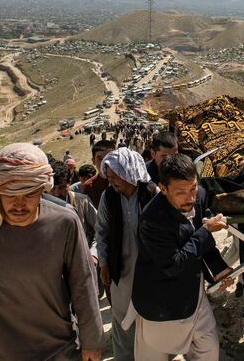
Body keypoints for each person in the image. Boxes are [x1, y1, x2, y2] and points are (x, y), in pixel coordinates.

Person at [0, 143, 102, 361]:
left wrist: (92, 342)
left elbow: (83, 285)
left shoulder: (64, 223)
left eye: (29, 194)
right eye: (10, 194)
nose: (19, 204)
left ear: (43, 189)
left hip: (56, 349)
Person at [129, 154, 233, 360]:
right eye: (181, 192)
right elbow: (174, 263)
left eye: (193, 188)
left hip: (193, 296)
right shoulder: (152, 220)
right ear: (163, 188)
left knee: (208, 352)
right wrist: (206, 231)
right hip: (159, 304)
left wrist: (218, 269)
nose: (190, 198)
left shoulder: (199, 195)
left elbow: (199, 239)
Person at [95, 147, 157, 361]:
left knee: (152, 318)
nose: (111, 181)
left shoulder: (151, 192)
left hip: (150, 270)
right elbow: (101, 232)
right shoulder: (108, 197)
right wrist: (103, 263)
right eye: (109, 177)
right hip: (120, 270)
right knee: (123, 321)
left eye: (115, 176)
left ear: (129, 172)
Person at [82, 139, 116, 209]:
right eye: (100, 159)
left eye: (109, 158)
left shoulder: (123, 181)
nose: (105, 163)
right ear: (94, 161)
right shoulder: (89, 186)